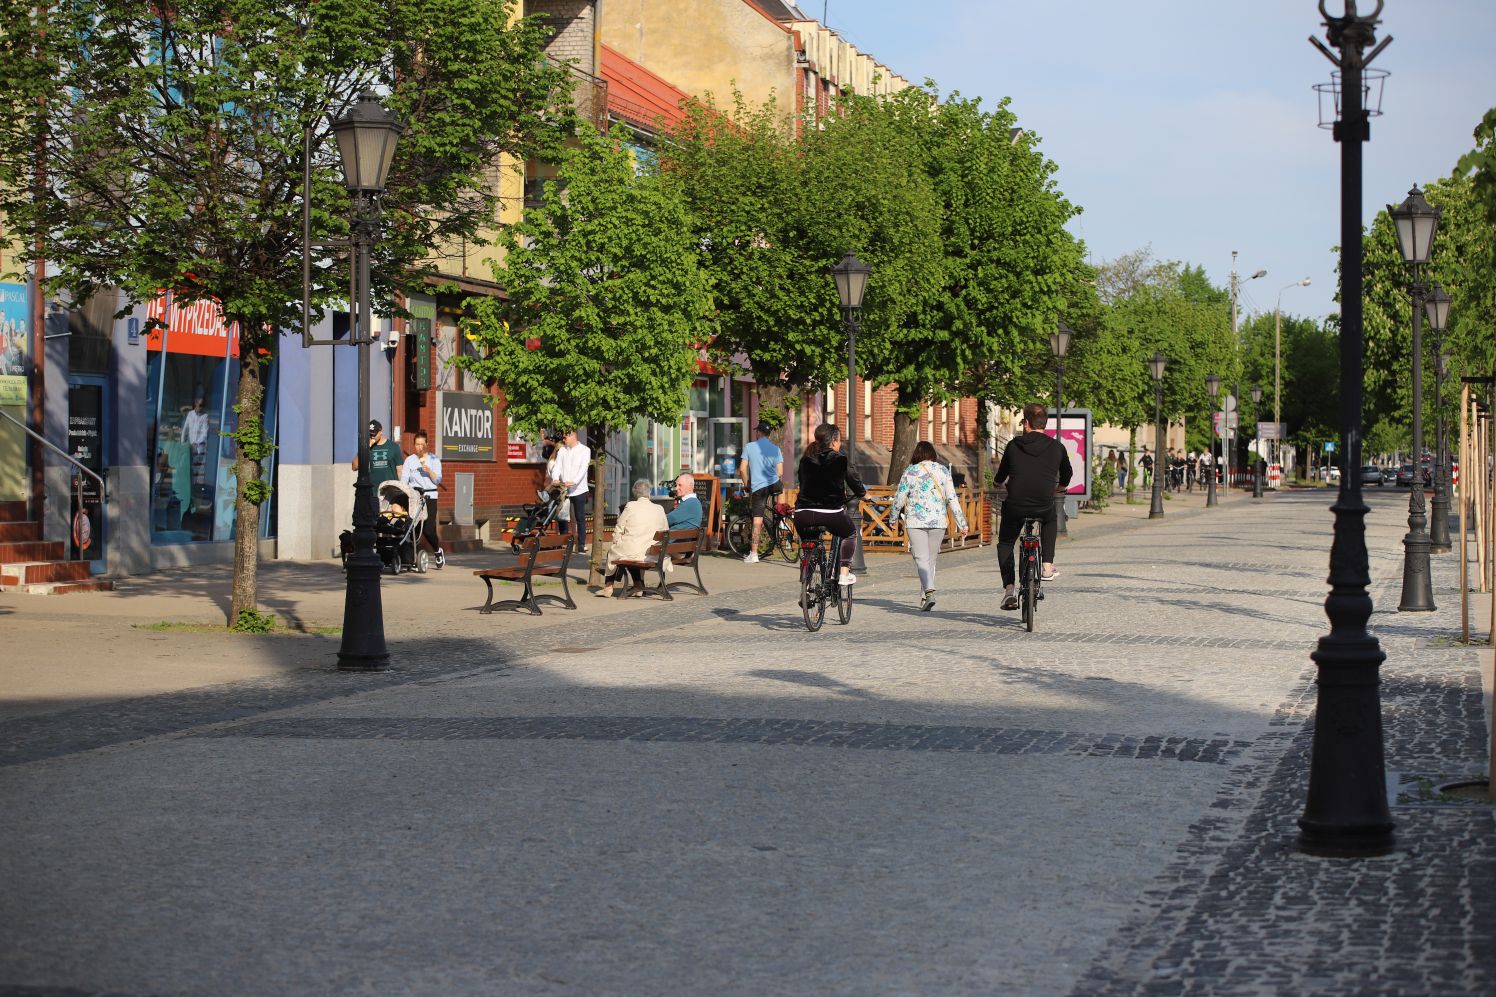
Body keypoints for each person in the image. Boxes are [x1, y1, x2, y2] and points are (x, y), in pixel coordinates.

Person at [995, 402, 1072, 611]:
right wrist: (1060, 488)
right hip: (1042, 504)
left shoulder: (1013, 445)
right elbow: (1067, 473)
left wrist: (997, 484)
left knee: (1005, 543)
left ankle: (1009, 589)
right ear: (1044, 424)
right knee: (1050, 519)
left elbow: (1001, 475)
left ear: (1026, 423)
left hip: (1016, 505)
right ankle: (1047, 566)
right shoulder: (1057, 447)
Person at [891, 440, 968, 612]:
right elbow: (952, 498)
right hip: (938, 522)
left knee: (920, 559)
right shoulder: (942, 470)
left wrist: (893, 518)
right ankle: (924, 596)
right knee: (930, 560)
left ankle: (929, 592)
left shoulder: (910, 471)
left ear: (916, 455)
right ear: (933, 454)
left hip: (915, 522)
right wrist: (962, 523)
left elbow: (900, 497)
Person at [792, 422, 867, 588]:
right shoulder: (840, 459)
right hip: (830, 512)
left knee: (808, 547)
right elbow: (853, 480)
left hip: (803, 513)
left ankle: (806, 587)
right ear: (833, 441)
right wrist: (864, 494)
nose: (840, 444)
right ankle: (844, 574)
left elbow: (803, 482)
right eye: (839, 440)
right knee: (850, 534)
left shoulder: (805, 459)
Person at [597, 480, 670, 597]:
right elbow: (666, 530)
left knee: (617, 551)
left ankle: (608, 587)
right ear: (649, 494)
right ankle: (638, 586)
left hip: (635, 551)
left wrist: (616, 542)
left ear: (635, 494)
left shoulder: (630, 506)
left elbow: (619, 528)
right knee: (633, 550)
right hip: (655, 552)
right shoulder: (659, 508)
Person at [739, 420, 784, 563]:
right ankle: (781, 521)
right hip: (775, 484)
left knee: (757, 519)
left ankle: (754, 554)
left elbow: (742, 469)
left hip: (759, 487)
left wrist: (747, 484)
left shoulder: (750, 447)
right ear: (769, 434)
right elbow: (780, 472)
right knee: (779, 493)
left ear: (758, 432)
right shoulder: (775, 449)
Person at [399, 429, 445, 568]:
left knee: (428, 529)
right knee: (412, 527)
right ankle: (412, 557)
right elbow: (405, 479)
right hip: (414, 497)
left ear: (427, 444)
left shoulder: (434, 459)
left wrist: (429, 471)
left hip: (430, 496)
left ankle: (437, 551)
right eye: (417, 444)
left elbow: (437, 480)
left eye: (422, 444)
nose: (419, 447)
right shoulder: (409, 460)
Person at [551, 428, 591, 553]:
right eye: (563, 437)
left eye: (565, 437)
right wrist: (555, 478)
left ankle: (581, 544)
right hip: (564, 489)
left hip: (579, 489)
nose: (564, 439)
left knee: (579, 517)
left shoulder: (585, 450)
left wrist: (574, 481)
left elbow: (583, 468)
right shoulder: (562, 451)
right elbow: (557, 466)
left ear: (573, 436)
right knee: (562, 516)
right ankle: (564, 543)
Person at [356, 420, 404, 486]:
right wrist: (365, 449)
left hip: (390, 490)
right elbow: (354, 466)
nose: (372, 436)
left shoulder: (393, 447)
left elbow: (399, 469)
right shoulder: (366, 447)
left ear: (381, 432)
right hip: (372, 491)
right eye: (370, 434)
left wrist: (402, 487)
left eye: (374, 434)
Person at [180, 397, 211, 490]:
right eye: (199, 405)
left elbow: (205, 433)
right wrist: (182, 442)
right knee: (187, 466)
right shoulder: (190, 414)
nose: (200, 407)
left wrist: (196, 443)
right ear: (195, 405)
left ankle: (193, 487)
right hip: (189, 446)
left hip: (199, 447)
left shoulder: (205, 416)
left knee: (197, 469)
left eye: (202, 406)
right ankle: (187, 486)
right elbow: (185, 429)